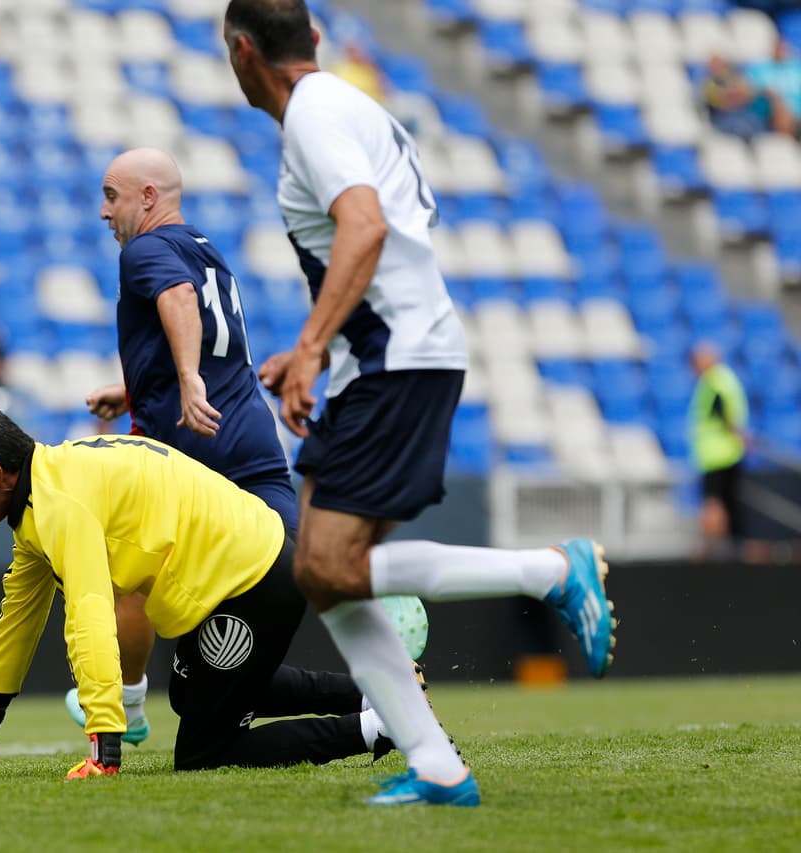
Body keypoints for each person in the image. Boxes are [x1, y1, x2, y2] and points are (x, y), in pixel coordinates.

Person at [223, 0, 614, 807]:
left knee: (327, 565)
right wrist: (314, 350)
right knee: (325, 572)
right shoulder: (346, 106)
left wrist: (312, 342)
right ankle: (435, 763)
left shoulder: (313, 115)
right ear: (317, 38)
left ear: (241, 50)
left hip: (394, 359)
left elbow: (363, 229)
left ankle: (550, 572)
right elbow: (385, 236)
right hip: (385, 355)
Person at [0, 402, 397, 781]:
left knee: (207, 753)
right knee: (192, 692)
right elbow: (18, 620)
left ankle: (381, 726)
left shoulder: (58, 503)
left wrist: (104, 746)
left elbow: (90, 615)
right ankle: (375, 691)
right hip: (251, 566)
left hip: (254, 579)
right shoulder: (41, 492)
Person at [72, 146, 388, 743]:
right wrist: (135, 388)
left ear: (147, 198)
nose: (103, 211)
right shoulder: (205, 249)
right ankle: (381, 672)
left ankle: (130, 702)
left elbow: (180, 303)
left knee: (119, 568)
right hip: (254, 447)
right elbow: (213, 335)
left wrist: (186, 379)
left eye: (111, 196)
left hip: (201, 453)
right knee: (288, 578)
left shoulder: (144, 250)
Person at [688, 342, 749, 553]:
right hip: (727, 453)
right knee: (728, 502)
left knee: (714, 504)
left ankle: (713, 549)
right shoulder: (725, 379)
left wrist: (739, 434)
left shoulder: (714, 382)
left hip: (718, 455)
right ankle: (729, 548)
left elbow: (726, 416)